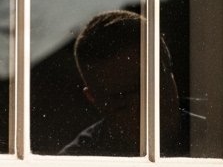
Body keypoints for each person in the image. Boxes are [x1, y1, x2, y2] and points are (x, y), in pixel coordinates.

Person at [60, 10, 180, 156]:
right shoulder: (75, 164)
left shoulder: (214, 132)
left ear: (171, 76)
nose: (142, 110)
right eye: (122, 102)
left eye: (152, 90)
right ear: (93, 99)